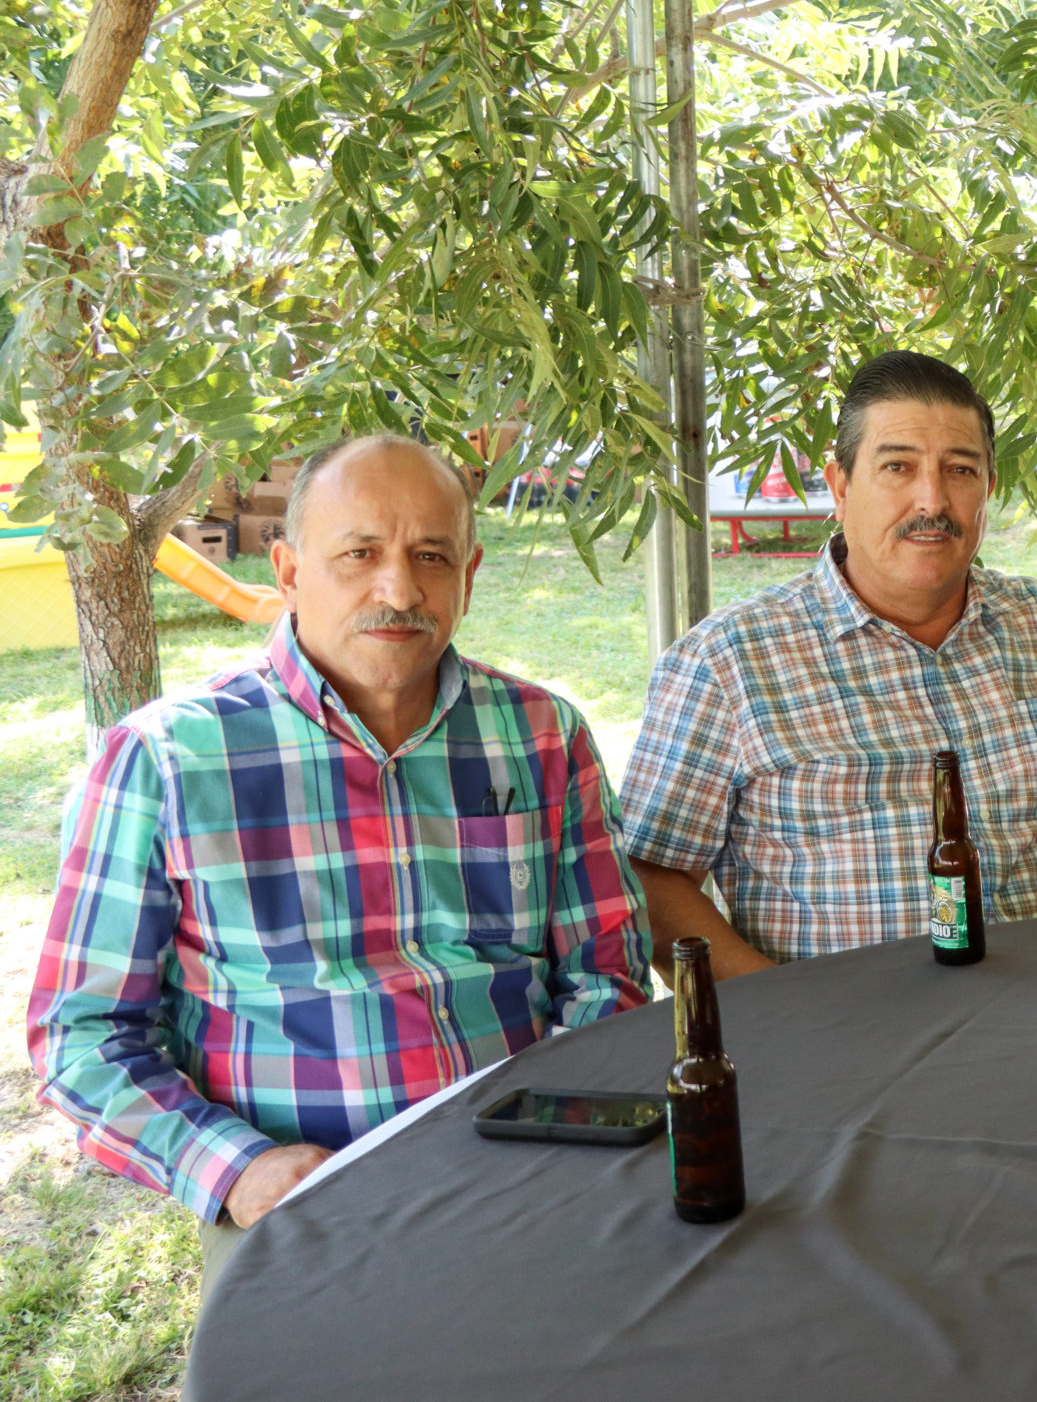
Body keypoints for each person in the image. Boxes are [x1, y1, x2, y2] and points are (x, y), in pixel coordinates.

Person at [26, 435, 651, 1297]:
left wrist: (555, 1135)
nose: (398, 588)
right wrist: (238, 1170)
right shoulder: (168, 759)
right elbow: (81, 1034)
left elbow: (607, 971)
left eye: (430, 556)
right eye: (359, 553)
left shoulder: (541, 734)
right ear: (286, 570)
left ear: (468, 572)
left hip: (529, 1176)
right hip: (299, 1202)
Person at [619, 351, 1037, 976]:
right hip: (844, 1051)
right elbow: (655, 877)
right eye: (898, 466)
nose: (932, 501)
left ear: (988, 487)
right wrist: (777, 1008)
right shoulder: (727, 664)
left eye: (960, 469)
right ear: (840, 483)